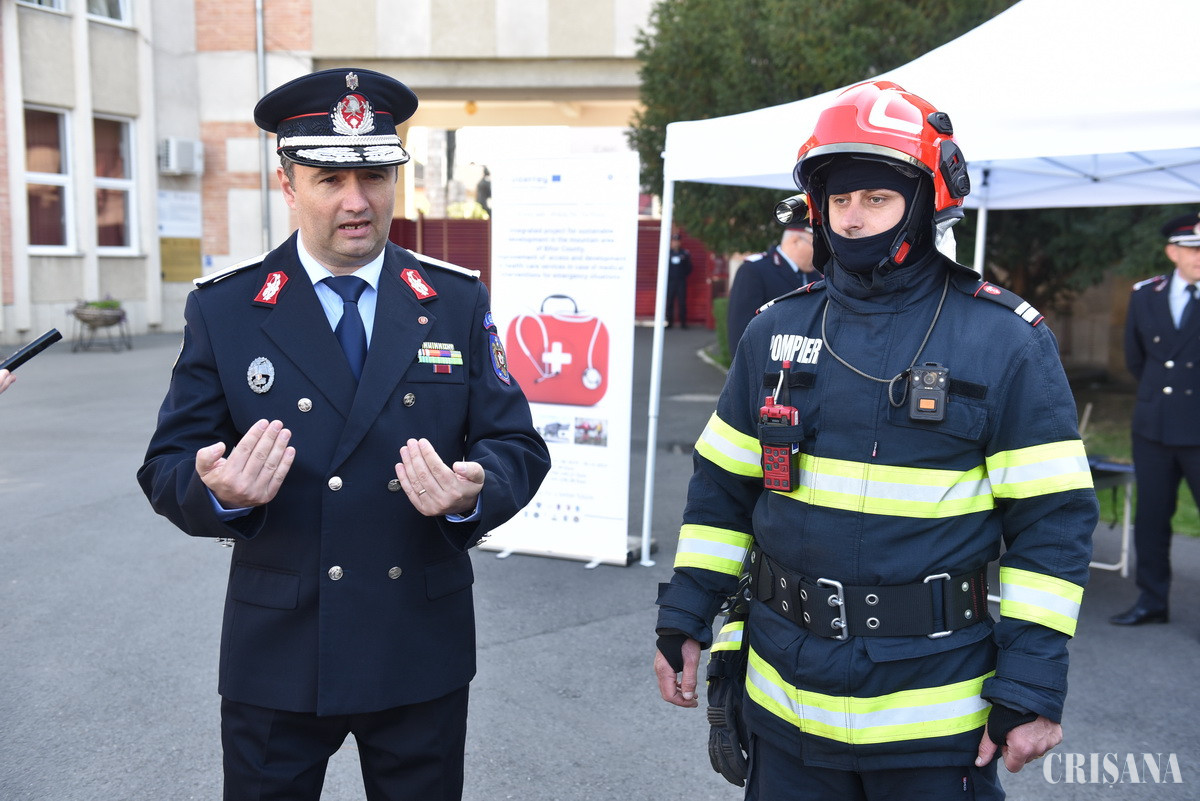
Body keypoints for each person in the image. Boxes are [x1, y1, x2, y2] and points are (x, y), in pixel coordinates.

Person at [653, 80, 1097, 800]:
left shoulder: (1004, 340)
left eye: (877, 198)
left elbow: (1052, 524)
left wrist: (1033, 680)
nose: (854, 218)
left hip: (935, 717)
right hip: (785, 704)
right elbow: (721, 491)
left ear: (924, 203)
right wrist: (684, 613)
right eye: (840, 200)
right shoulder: (774, 330)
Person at [137, 68, 551, 801]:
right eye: (330, 179)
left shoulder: (453, 300)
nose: (357, 202)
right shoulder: (228, 309)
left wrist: (474, 492)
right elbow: (167, 463)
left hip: (416, 646)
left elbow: (516, 445)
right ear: (288, 184)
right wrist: (219, 492)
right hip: (280, 653)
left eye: (374, 176)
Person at [1110, 212, 1200, 626]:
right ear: (1172, 252)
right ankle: (1152, 600)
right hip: (1154, 428)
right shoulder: (1146, 293)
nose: (1198, 256)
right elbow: (1136, 358)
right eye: (1192, 248)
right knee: (1151, 518)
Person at [726, 222, 819, 352]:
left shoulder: (817, 276)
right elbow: (740, 329)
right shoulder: (755, 270)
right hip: (769, 360)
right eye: (816, 245)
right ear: (795, 241)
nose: (820, 252)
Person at [666, 232, 693, 328]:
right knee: (669, 301)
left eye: (677, 241)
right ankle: (669, 322)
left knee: (682, 302)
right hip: (670, 281)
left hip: (681, 281)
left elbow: (689, 267)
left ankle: (683, 323)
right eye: (674, 241)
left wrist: (682, 275)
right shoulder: (667, 253)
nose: (676, 243)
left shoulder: (684, 253)